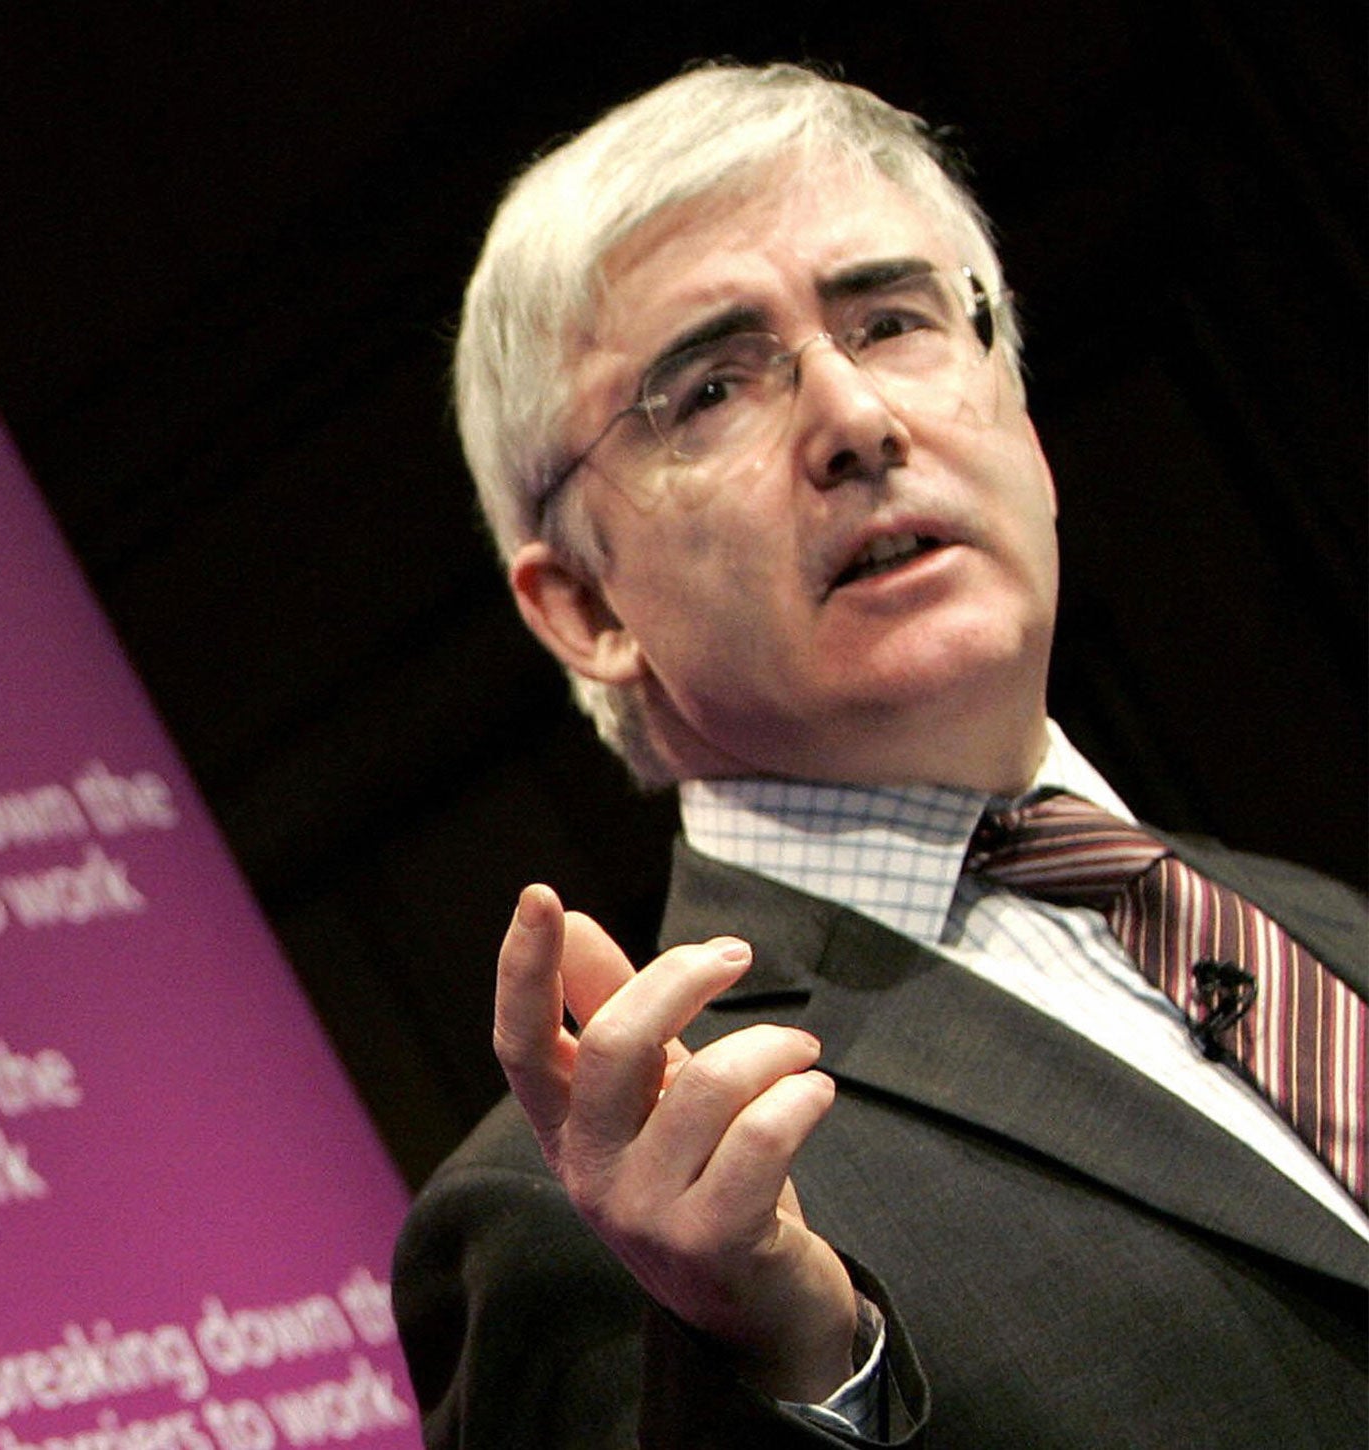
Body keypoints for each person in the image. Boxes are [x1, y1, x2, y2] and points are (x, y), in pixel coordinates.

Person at [391, 61, 1368, 1448]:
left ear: (1017, 410)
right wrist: (800, 1369)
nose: (856, 420)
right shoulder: (602, 1212)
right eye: (713, 387)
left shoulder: (1325, 929)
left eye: (894, 318)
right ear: (586, 607)